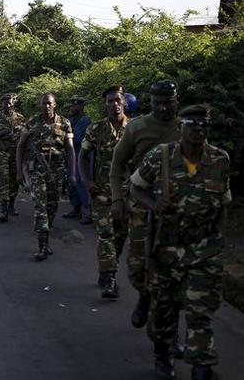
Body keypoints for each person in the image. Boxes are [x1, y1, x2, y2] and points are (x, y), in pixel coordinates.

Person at [129, 104, 230, 380]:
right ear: (180, 126)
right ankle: (163, 356)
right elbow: (135, 187)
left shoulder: (220, 160)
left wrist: (218, 243)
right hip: (166, 250)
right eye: (192, 123)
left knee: (201, 310)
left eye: (204, 124)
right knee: (165, 309)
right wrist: (153, 203)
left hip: (204, 251)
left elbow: (223, 203)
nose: (198, 128)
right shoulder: (160, 156)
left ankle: (202, 365)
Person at [110, 80, 180, 329]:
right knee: (138, 267)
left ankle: (167, 331)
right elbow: (117, 164)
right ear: (150, 102)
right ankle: (145, 295)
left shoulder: (186, 128)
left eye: (167, 102)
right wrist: (117, 198)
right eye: (157, 103)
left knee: (174, 271)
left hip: (177, 208)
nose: (162, 108)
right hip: (141, 203)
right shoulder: (137, 127)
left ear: (176, 100)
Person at [78, 86, 129, 299]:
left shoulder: (135, 128)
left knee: (120, 235)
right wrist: (86, 181)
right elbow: (82, 156)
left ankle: (106, 268)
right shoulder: (96, 128)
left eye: (117, 100)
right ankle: (111, 279)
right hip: (101, 192)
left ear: (124, 101)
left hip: (128, 193)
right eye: (109, 101)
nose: (114, 104)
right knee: (106, 234)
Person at [17, 94, 76, 261]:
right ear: (40, 105)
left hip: (56, 169)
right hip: (36, 169)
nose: (47, 106)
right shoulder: (32, 122)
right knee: (40, 205)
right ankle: (42, 245)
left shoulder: (64, 123)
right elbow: (20, 146)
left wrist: (72, 173)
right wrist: (19, 172)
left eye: (50, 103)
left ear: (55, 105)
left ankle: (46, 234)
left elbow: (70, 149)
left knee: (53, 206)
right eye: (44, 104)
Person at [0, 93, 24, 222]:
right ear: (1, 103)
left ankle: (11, 206)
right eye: (6, 102)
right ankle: (3, 210)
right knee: (4, 181)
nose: (8, 105)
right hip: (1, 153)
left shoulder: (19, 118)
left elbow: (25, 137)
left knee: (15, 181)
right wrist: (1, 135)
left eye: (10, 102)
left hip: (16, 154)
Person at [64, 97, 93, 224]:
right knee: (70, 182)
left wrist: (64, 138)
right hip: (69, 154)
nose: (72, 107)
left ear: (81, 107)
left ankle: (88, 211)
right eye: (71, 105)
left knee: (80, 182)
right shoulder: (71, 119)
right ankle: (76, 209)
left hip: (80, 154)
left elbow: (76, 139)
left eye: (75, 106)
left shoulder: (85, 120)